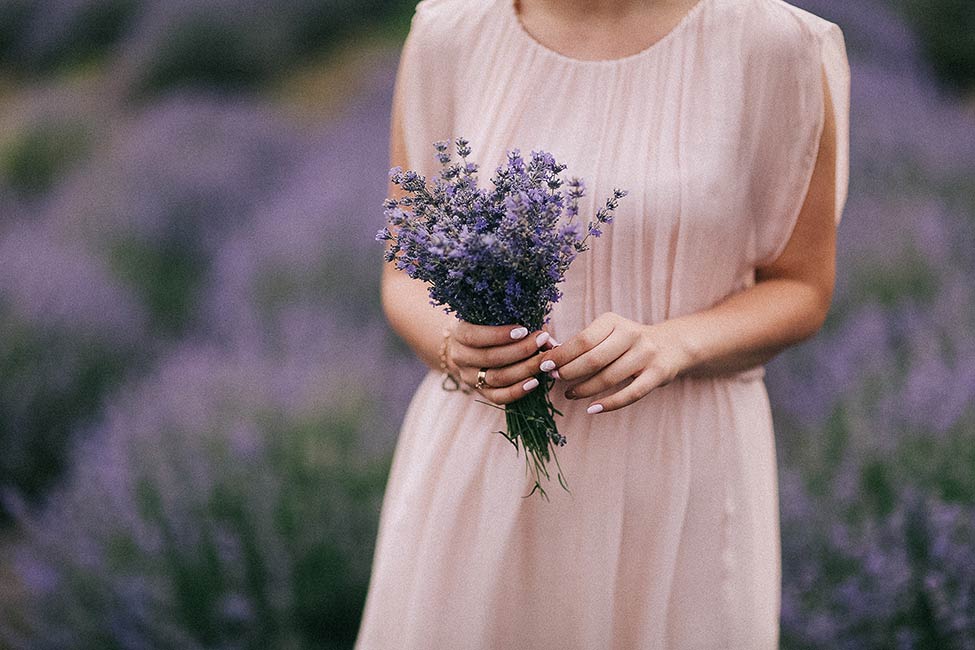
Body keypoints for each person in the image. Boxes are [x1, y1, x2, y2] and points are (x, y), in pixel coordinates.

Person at [356, 0, 850, 647]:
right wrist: (453, 345)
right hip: (485, 458)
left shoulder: (773, 44)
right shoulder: (449, 33)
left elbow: (800, 287)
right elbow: (405, 272)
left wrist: (676, 343)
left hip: (674, 472)